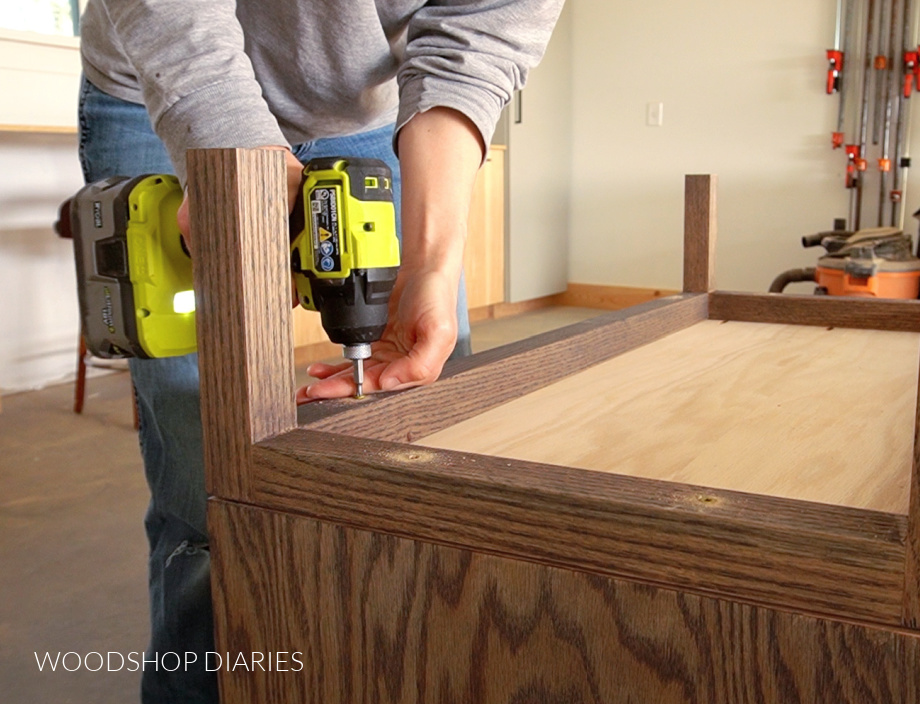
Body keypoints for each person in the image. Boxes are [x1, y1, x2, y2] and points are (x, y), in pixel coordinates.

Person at [76, 1, 563, 700]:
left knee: (422, 434)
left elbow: (476, 39)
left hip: (368, 112)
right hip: (170, 70)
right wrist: (226, 154)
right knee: (208, 474)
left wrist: (429, 265)